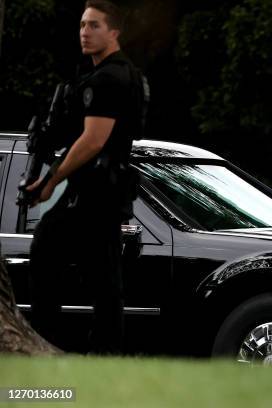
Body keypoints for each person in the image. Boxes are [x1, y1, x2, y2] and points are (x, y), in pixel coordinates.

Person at [26, 0, 145, 354]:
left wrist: (50, 180)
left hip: (96, 191)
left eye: (94, 25)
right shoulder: (121, 74)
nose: (84, 32)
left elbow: (93, 140)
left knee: (47, 249)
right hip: (102, 189)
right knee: (103, 278)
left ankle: (50, 343)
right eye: (81, 25)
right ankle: (101, 353)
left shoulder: (110, 77)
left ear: (114, 32)